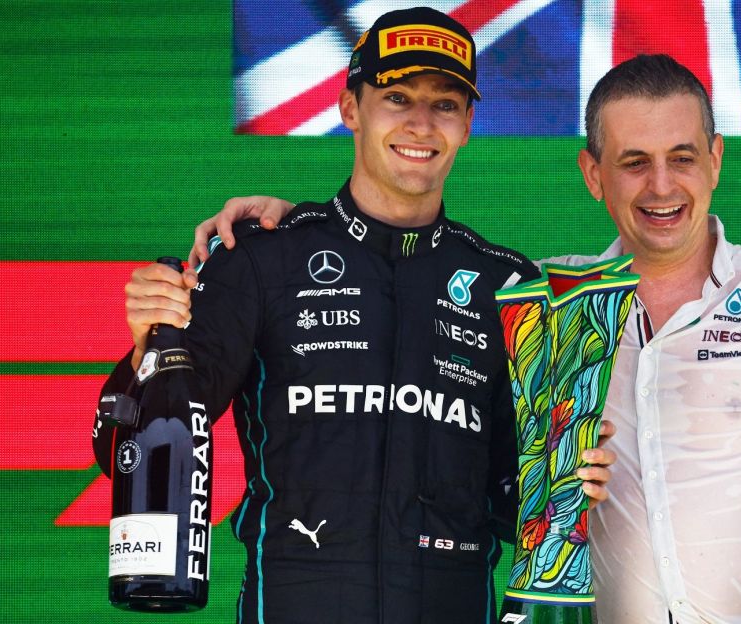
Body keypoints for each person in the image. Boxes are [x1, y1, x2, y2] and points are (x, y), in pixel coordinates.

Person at [190, 55, 741, 624]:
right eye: (633, 163)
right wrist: (298, 228)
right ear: (592, 174)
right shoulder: (539, 302)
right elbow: (400, 279)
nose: (661, 188)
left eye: (683, 157)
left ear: (716, 159)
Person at [92, 8, 616, 624]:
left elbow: (516, 499)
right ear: (350, 109)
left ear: (468, 123)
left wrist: (571, 466)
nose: (421, 123)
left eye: (445, 104)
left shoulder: (507, 286)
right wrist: (142, 354)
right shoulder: (262, 257)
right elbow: (123, 448)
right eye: (396, 97)